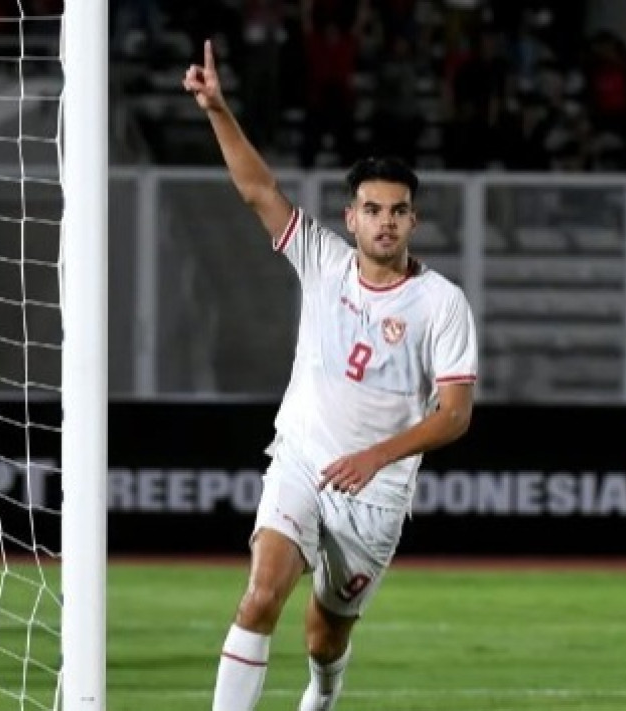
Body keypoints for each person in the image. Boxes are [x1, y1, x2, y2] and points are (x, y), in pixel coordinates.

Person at [183, 40, 478, 711]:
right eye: (371, 209)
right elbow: (257, 190)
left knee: (322, 637)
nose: (384, 221)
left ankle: (321, 695)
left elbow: (454, 413)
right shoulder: (322, 260)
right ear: (350, 217)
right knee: (259, 595)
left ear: (412, 219)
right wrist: (218, 109)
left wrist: (374, 456)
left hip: (375, 496)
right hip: (304, 460)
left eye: (397, 210)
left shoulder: (440, 303)